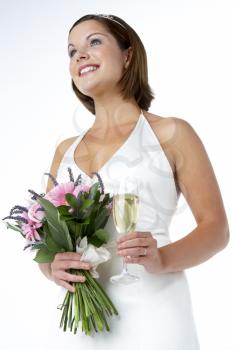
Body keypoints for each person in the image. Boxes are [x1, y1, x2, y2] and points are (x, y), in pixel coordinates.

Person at [38, 14, 229, 349]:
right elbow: (44, 245)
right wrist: (52, 267)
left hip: (156, 316)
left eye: (94, 42)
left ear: (127, 55)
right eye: (71, 51)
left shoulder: (172, 133)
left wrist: (163, 258)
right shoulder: (64, 151)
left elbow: (216, 230)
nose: (80, 54)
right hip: (85, 324)